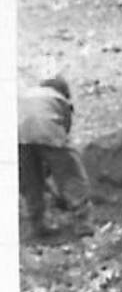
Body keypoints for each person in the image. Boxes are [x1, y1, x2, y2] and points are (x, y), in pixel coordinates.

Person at [18, 75, 91, 237]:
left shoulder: (26, 95)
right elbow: (65, 129)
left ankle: (36, 224)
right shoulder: (60, 99)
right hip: (48, 130)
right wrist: (56, 164)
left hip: (17, 134)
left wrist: (44, 174)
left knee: (31, 181)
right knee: (71, 174)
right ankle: (82, 222)